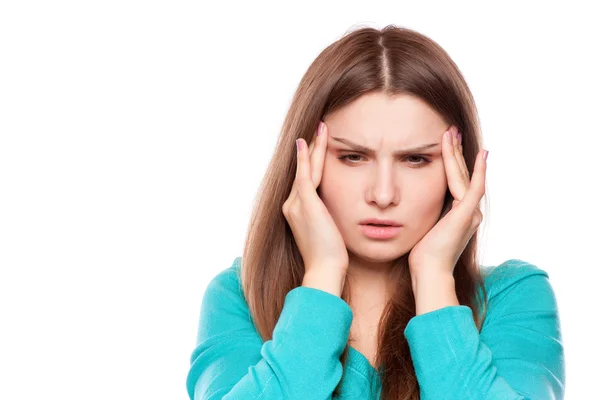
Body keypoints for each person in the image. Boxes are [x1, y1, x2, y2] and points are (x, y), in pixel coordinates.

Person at [186, 24, 565, 400]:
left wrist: (434, 281)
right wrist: (321, 277)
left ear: (458, 169)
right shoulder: (240, 296)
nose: (383, 194)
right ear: (304, 163)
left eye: (416, 159)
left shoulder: (513, 296)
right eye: (353, 157)